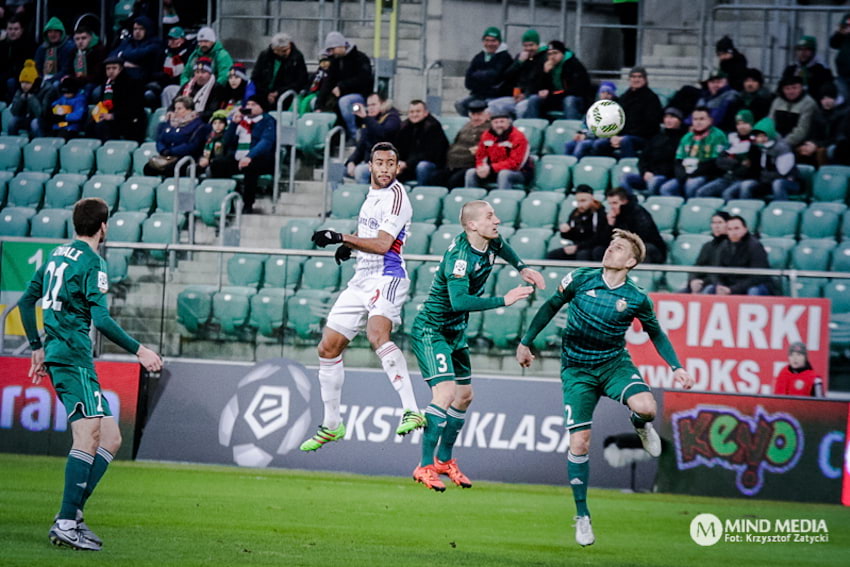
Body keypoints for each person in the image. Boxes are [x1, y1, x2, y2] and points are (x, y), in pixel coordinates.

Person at [516, 229, 694, 547]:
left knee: (647, 408)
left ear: (631, 261)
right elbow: (549, 307)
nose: (611, 249)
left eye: (619, 247)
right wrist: (526, 342)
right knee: (579, 443)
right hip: (577, 371)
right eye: (611, 245)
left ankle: (640, 427)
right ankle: (582, 516)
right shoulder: (580, 279)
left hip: (614, 366)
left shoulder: (637, 298)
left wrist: (676, 367)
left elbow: (656, 333)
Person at [16, 197, 163, 551]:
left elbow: (25, 302)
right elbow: (101, 320)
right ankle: (66, 523)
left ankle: (74, 514)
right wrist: (139, 350)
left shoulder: (55, 255)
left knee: (110, 438)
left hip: (62, 354)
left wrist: (37, 345)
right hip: (72, 356)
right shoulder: (92, 263)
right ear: (103, 227)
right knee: (86, 437)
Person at [299, 142, 426, 452]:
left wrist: (340, 237)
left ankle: (412, 409)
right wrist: (351, 247)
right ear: (370, 166)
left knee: (377, 334)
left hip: (387, 275)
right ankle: (331, 425)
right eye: (379, 163)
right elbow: (371, 234)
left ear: (398, 168)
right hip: (361, 279)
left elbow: (383, 245)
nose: (384, 168)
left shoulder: (398, 198)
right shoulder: (371, 196)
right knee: (328, 348)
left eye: (390, 163)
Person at [410, 200, 544, 491]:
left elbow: (503, 245)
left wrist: (523, 267)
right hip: (432, 330)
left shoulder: (488, 242)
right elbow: (459, 302)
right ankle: (424, 466)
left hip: (455, 331)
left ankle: (444, 460)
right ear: (472, 225)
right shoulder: (460, 258)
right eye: (490, 216)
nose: (497, 220)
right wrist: (503, 300)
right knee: (445, 394)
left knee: (465, 395)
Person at [210, 95, 276, 214]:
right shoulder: (241, 121)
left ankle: (248, 204)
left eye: (253, 105)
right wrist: (234, 124)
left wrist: (249, 156)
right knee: (217, 164)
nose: (249, 107)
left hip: (259, 159)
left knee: (250, 167)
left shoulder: (268, 121)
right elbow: (227, 141)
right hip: (238, 157)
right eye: (248, 105)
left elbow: (266, 142)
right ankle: (226, 199)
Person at [723, 117, 800, 201]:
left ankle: (781, 208)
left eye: (762, 136)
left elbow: (782, 172)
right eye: (757, 136)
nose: (759, 139)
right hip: (765, 182)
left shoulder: (782, 149)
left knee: (777, 184)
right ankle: (746, 209)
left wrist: (763, 176)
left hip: (787, 181)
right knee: (746, 185)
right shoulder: (757, 148)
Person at [592, 66, 662, 158]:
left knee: (626, 141)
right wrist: (614, 136)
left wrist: (623, 137)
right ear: (629, 79)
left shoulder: (651, 98)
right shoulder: (624, 97)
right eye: (633, 77)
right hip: (621, 136)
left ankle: (627, 168)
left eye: (639, 77)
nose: (636, 79)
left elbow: (651, 125)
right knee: (599, 144)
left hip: (643, 137)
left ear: (645, 79)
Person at [658, 106, 727, 198]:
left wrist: (692, 175)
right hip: (686, 173)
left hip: (707, 174)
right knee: (666, 188)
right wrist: (682, 175)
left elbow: (715, 161)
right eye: (695, 119)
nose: (698, 122)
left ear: (710, 120)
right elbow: (678, 160)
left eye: (702, 119)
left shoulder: (718, 135)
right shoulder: (687, 137)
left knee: (691, 184)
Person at [317, 31, 373, 139]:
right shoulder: (334, 61)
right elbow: (327, 82)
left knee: (344, 102)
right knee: (314, 102)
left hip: (359, 95)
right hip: (340, 95)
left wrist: (342, 86)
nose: (332, 53)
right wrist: (318, 104)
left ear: (341, 46)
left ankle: (354, 134)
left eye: (332, 49)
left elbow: (364, 79)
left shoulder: (360, 58)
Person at [619, 106, 686, 196]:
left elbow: (676, 164)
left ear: (680, 120)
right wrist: (645, 172)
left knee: (654, 181)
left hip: (666, 176)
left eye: (672, 117)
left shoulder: (683, 139)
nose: (668, 120)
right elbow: (643, 158)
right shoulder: (657, 137)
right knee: (624, 177)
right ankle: (631, 202)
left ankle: (650, 202)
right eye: (666, 117)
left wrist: (654, 173)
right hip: (648, 174)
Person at [702, 215, 772, 296]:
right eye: (730, 229)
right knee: (709, 289)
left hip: (751, 285)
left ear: (745, 229)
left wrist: (732, 289)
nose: (733, 232)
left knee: (754, 290)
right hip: (729, 286)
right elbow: (715, 271)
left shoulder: (755, 246)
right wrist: (720, 286)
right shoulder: (723, 245)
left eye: (737, 228)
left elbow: (758, 277)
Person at [464, 108, 533, 190]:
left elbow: (516, 163)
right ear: (491, 123)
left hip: (518, 172)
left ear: (508, 122)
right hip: (493, 170)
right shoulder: (487, 135)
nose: (499, 125)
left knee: (504, 174)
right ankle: (472, 200)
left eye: (502, 122)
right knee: (471, 173)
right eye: (496, 122)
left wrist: (491, 168)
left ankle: (502, 199)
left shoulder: (518, 137)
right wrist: (481, 168)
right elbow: (480, 156)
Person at [455, 26, 513, 117]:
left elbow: (496, 77)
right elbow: (468, 80)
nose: (489, 44)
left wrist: (477, 76)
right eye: (487, 40)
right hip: (478, 95)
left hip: (496, 96)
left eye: (493, 41)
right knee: (460, 104)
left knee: (487, 106)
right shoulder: (479, 57)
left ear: (499, 42)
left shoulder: (504, 57)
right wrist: (485, 76)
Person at [144, 95, 208, 177]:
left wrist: (172, 151)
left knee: (170, 169)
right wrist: (163, 150)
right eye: (175, 108)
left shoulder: (199, 126)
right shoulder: (169, 124)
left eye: (179, 109)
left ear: (189, 110)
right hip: (166, 156)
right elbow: (160, 140)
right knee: (148, 168)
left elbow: (192, 145)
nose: (176, 111)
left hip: (185, 157)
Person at [345, 92, 401, 184]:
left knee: (360, 171)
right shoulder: (369, 120)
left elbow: (383, 134)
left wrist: (366, 118)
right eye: (368, 105)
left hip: (386, 163)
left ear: (383, 104)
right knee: (340, 169)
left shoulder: (392, 118)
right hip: (369, 161)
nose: (370, 108)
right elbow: (361, 145)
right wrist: (352, 161)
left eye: (374, 105)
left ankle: (369, 197)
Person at [547, 185, 611, 261]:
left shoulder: (600, 214)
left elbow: (599, 238)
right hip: (578, 247)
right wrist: (565, 231)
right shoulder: (575, 213)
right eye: (578, 201)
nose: (580, 204)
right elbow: (572, 236)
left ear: (592, 199)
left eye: (583, 201)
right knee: (553, 255)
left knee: (583, 254)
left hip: (592, 247)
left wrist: (577, 247)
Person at [531, 40, 591, 120]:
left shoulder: (573, 64)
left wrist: (552, 94)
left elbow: (578, 89)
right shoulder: (547, 65)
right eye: (549, 54)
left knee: (569, 100)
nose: (552, 57)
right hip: (555, 97)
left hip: (574, 98)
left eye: (555, 53)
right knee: (534, 99)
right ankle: (534, 128)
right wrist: (545, 73)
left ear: (562, 53)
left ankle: (572, 128)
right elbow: (536, 87)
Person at [605, 186, 666, 263]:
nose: (612, 207)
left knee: (640, 250)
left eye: (615, 203)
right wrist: (610, 225)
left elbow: (642, 236)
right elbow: (607, 240)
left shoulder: (638, 212)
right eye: (610, 204)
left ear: (625, 201)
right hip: (626, 247)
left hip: (651, 249)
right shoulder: (613, 216)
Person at [92, 56, 146, 143]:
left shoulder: (132, 83)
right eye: (108, 68)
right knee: (91, 125)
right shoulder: (106, 84)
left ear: (121, 69)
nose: (111, 71)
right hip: (112, 118)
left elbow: (134, 107)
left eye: (114, 68)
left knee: (103, 126)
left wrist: (113, 116)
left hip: (129, 120)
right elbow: (103, 103)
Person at [395, 99, 449, 186]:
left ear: (425, 113)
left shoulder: (433, 126)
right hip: (410, 164)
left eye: (418, 111)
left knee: (422, 166)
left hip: (432, 165)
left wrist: (407, 163)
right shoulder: (404, 127)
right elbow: (398, 148)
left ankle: (422, 193)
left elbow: (430, 154)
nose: (414, 114)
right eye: (411, 112)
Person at [250, 32, 308, 109]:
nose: (287, 52)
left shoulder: (296, 57)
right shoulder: (264, 56)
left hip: (286, 94)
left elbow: (301, 80)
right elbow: (256, 77)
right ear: (275, 50)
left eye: (287, 49)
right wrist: (267, 93)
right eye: (283, 51)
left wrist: (278, 92)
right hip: (263, 93)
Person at [498, 28, 546, 118]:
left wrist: (525, 94)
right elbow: (507, 76)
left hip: (533, 95)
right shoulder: (520, 57)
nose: (528, 49)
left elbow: (538, 80)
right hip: (518, 95)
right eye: (525, 46)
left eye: (531, 45)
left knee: (521, 108)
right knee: (495, 105)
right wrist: (519, 62)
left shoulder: (544, 58)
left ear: (537, 44)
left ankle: (521, 130)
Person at [565, 82, 618, 160]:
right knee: (569, 144)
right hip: (590, 136)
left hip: (603, 138)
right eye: (603, 92)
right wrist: (580, 133)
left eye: (609, 93)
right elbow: (585, 124)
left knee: (582, 144)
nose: (605, 96)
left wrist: (586, 136)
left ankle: (575, 165)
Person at [444, 99, 490, 189]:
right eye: (473, 115)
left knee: (454, 181)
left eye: (479, 114)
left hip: (469, 166)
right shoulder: (466, 126)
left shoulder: (489, 129)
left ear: (487, 115)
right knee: (435, 178)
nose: (476, 118)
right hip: (453, 165)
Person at [684, 212, 729, 293]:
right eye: (713, 223)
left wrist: (703, 282)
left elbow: (720, 273)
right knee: (679, 293)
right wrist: (692, 280)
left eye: (720, 222)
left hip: (718, 285)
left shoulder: (731, 246)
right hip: (703, 282)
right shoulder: (707, 246)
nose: (716, 226)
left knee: (707, 291)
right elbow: (697, 266)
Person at [769, 75, 818, 149]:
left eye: (794, 88)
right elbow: (770, 122)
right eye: (787, 89)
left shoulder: (808, 103)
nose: (791, 92)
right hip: (776, 139)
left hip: (800, 142)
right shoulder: (777, 101)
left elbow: (802, 129)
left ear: (801, 88)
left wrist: (785, 143)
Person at [780, 35, 834, 101]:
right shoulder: (792, 68)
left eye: (807, 49)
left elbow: (827, 89)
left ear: (813, 51)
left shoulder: (822, 69)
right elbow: (781, 87)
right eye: (800, 49)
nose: (802, 53)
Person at [173, 56, 226, 121]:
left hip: (202, 120)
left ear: (209, 73)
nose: (200, 75)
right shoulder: (188, 85)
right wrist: (170, 111)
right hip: (182, 117)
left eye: (203, 72)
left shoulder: (216, 88)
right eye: (197, 72)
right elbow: (175, 101)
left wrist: (196, 115)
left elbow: (213, 110)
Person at [0, 15, 36, 102]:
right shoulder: (2, 45)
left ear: (22, 30)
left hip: (20, 78)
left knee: (11, 82)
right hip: (5, 75)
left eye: (16, 29)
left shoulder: (29, 44)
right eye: (10, 29)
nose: (12, 32)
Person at [7, 59, 44, 136]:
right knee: (13, 121)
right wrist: (21, 100)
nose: (24, 85)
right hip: (25, 119)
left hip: (40, 121)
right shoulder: (19, 92)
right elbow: (14, 112)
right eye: (22, 82)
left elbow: (41, 113)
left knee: (35, 123)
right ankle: (13, 143)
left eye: (28, 83)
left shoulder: (43, 90)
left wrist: (32, 99)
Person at [34, 16, 74, 87]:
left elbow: (65, 70)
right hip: (43, 78)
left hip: (60, 79)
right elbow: (37, 67)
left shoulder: (68, 47)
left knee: (55, 85)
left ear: (61, 33)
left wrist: (51, 79)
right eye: (50, 32)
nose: (53, 34)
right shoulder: (42, 48)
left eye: (56, 31)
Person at [70, 26, 105, 103]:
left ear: (91, 38)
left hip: (95, 82)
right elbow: (70, 70)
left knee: (88, 88)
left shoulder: (99, 50)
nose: (80, 41)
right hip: (78, 80)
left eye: (84, 38)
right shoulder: (73, 51)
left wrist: (77, 79)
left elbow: (97, 76)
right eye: (77, 39)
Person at [830, 13, 850, 102]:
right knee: (842, 102)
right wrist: (840, 33)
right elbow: (834, 44)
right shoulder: (847, 17)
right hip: (843, 73)